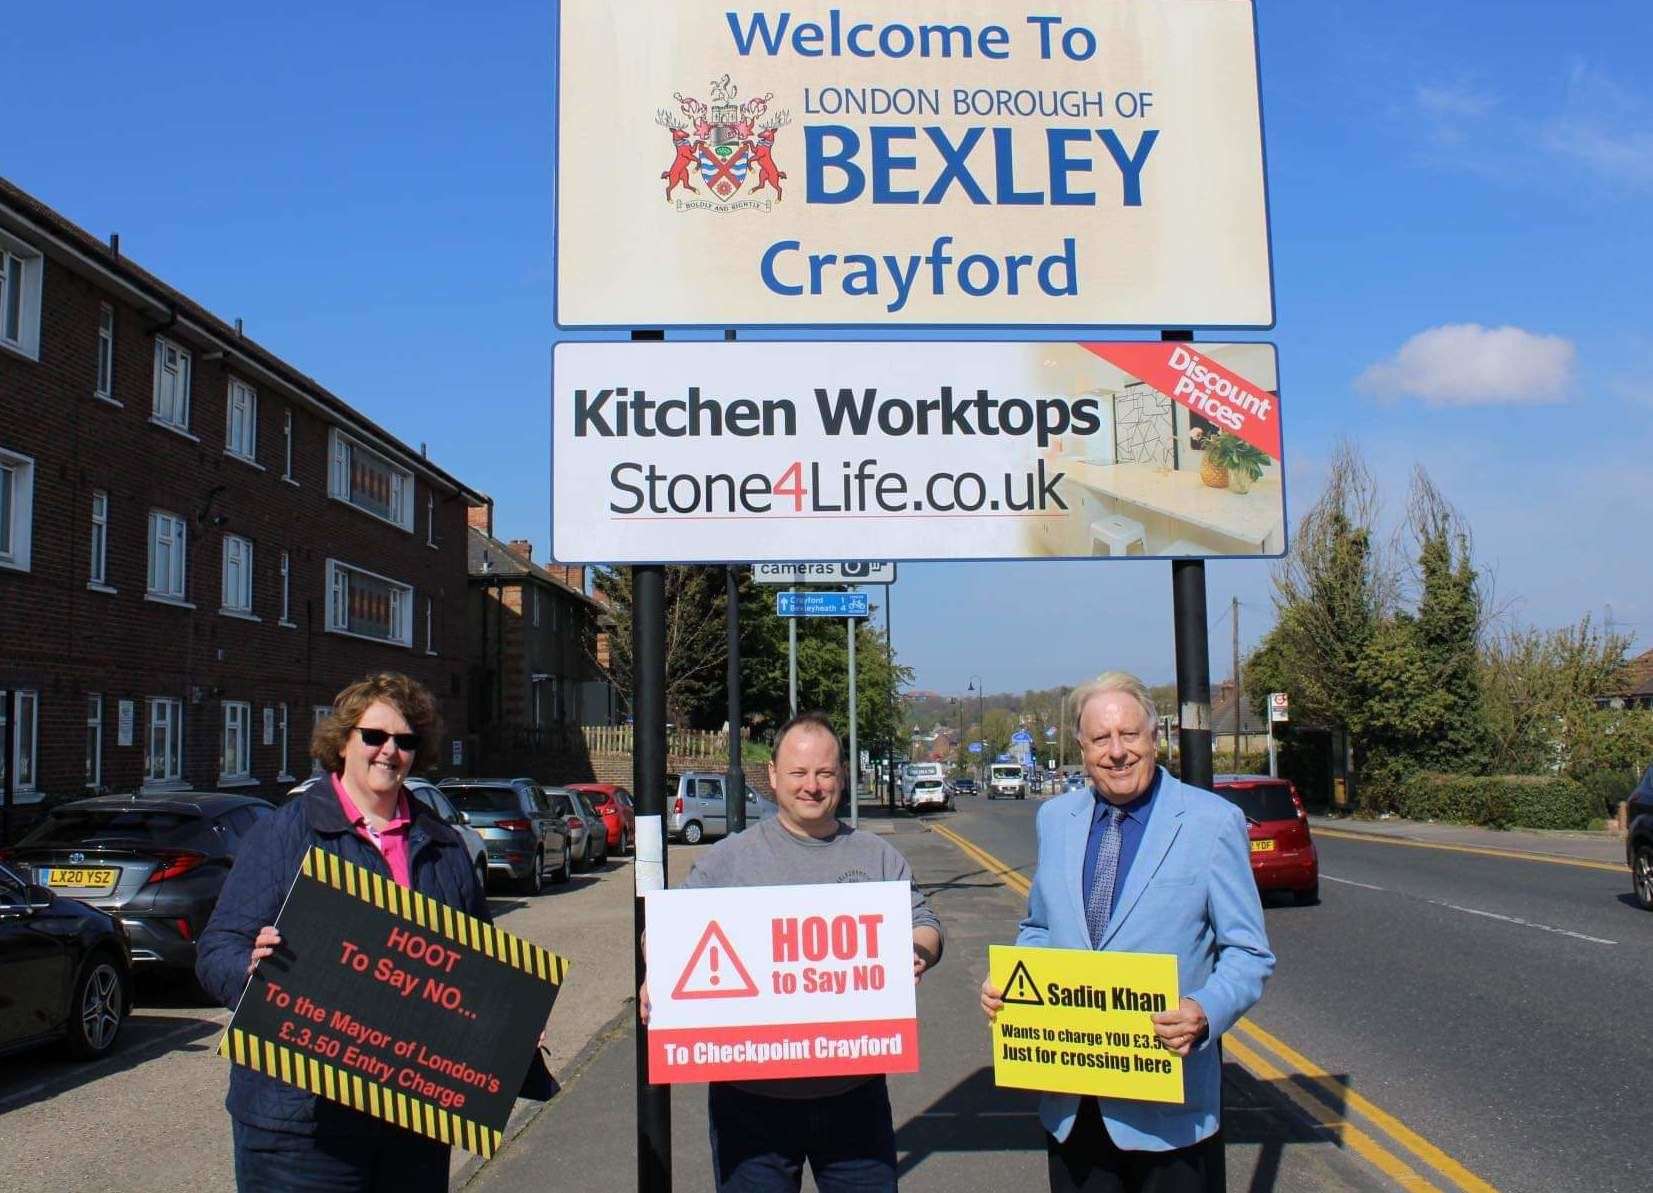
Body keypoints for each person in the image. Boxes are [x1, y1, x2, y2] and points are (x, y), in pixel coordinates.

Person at [980, 672, 1274, 1193]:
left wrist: (1205, 1011)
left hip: (1171, 1115)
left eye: (1129, 735)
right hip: (1074, 1107)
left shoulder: (1212, 822)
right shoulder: (1054, 819)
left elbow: (1248, 953)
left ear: (1154, 736)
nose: (1117, 752)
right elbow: (1040, 926)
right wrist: (1015, 982)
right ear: (1082, 747)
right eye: (1101, 739)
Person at [197, 672, 488, 1192]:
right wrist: (250, 969)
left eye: (405, 741)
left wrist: (503, 1025)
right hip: (301, 1128)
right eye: (374, 737)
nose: (389, 752)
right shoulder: (287, 831)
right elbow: (217, 948)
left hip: (410, 1122)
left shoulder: (442, 845)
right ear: (343, 741)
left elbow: (477, 969)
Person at [642, 711, 944, 1192]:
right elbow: (666, 927)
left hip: (854, 1095)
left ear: (841, 777)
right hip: (749, 1103)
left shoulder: (875, 855)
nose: (812, 786)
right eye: (799, 773)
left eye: (825, 773)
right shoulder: (730, 858)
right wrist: (655, 969)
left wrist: (915, 953)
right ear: (775, 776)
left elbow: (925, 923)